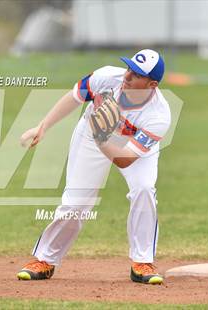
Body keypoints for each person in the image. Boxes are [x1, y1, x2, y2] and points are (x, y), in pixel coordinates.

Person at [17, 49, 171, 285]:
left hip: (129, 148)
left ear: (151, 84)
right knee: (76, 202)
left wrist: (103, 138)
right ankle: (45, 260)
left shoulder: (158, 115)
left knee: (144, 189)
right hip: (92, 135)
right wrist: (43, 126)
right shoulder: (107, 77)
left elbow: (124, 159)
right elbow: (74, 97)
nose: (128, 75)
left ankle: (142, 262)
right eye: (129, 68)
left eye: (137, 74)